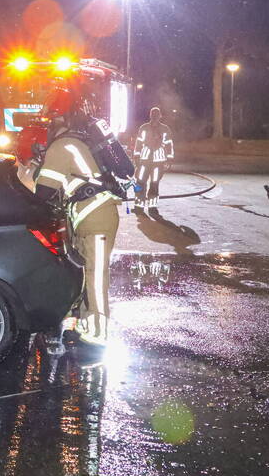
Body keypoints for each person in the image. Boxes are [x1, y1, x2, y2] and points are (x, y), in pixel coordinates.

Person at [33, 93, 133, 348]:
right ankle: (84, 324)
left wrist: (33, 169)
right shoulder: (77, 141)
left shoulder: (63, 146)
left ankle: (99, 332)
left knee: (96, 274)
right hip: (90, 216)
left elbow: (42, 192)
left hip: (96, 217)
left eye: (50, 120)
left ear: (60, 120)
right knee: (86, 272)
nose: (48, 126)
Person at [132, 107, 175, 217]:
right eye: (153, 114)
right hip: (144, 160)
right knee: (140, 182)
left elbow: (169, 144)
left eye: (157, 114)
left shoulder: (165, 129)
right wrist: (136, 157)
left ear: (160, 115)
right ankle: (139, 206)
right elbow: (138, 143)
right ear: (150, 115)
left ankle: (152, 207)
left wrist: (169, 159)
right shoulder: (144, 128)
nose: (155, 116)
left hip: (158, 161)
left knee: (154, 184)